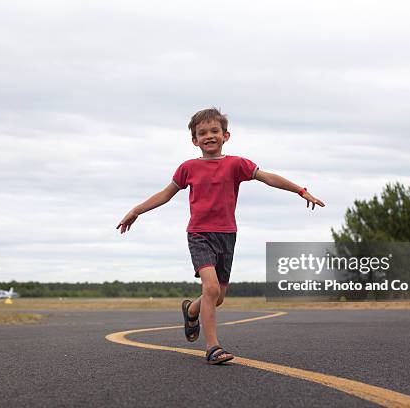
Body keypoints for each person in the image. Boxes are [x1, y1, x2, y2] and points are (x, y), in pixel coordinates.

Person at [117, 108, 325, 364]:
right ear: (195, 140)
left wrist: (300, 190)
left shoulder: (237, 164)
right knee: (211, 288)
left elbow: (268, 177)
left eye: (214, 131)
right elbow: (165, 194)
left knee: (218, 297)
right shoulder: (188, 168)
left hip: (227, 235)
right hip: (199, 234)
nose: (209, 136)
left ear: (226, 135)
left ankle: (191, 310)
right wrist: (136, 211)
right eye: (202, 133)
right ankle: (213, 347)